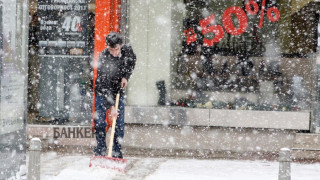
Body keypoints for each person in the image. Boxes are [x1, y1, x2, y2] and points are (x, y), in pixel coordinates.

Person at [93, 32, 136, 158]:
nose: (113, 53)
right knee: (100, 123)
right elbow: (105, 83)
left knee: (119, 125)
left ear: (121, 46)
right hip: (103, 91)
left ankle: (116, 152)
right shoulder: (104, 57)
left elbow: (132, 62)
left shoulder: (128, 51)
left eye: (116, 49)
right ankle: (100, 150)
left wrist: (125, 77)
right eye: (110, 49)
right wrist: (112, 107)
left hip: (118, 91)